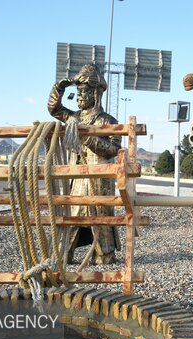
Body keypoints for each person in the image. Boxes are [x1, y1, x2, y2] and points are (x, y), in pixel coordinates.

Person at [47, 64, 121, 265]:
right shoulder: (74, 117)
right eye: (77, 91)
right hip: (78, 178)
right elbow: (54, 109)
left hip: (98, 180)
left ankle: (105, 255)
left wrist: (87, 137)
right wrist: (59, 89)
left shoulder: (107, 120)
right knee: (74, 215)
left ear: (95, 93)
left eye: (83, 91)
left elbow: (114, 148)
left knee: (101, 216)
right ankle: (65, 253)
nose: (79, 96)